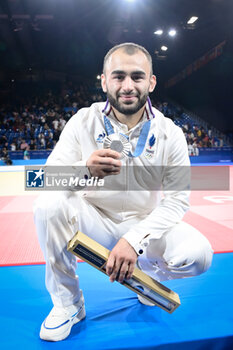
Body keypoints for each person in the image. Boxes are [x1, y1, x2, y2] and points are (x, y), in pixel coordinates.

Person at [34, 42, 213, 342]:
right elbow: (42, 179)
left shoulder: (171, 133)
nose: (127, 86)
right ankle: (68, 304)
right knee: (48, 205)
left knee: (199, 256)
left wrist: (134, 241)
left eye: (137, 76)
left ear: (151, 82)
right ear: (104, 81)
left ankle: (147, 273)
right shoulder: (82, 121)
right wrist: (84, 170)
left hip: (144, 226)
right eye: (118, 76)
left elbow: (179, 200)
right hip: (94, 221)